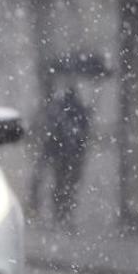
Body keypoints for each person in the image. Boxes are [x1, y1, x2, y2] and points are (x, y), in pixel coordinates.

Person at [29, 84, 91, 228]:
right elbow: (81, 132)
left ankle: (59, 213)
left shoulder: (58, 110)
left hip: (61, 152)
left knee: (60, 184)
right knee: (66, 185)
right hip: (69, 153)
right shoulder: (75, 111)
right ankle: (63, 213)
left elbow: (51, 131)